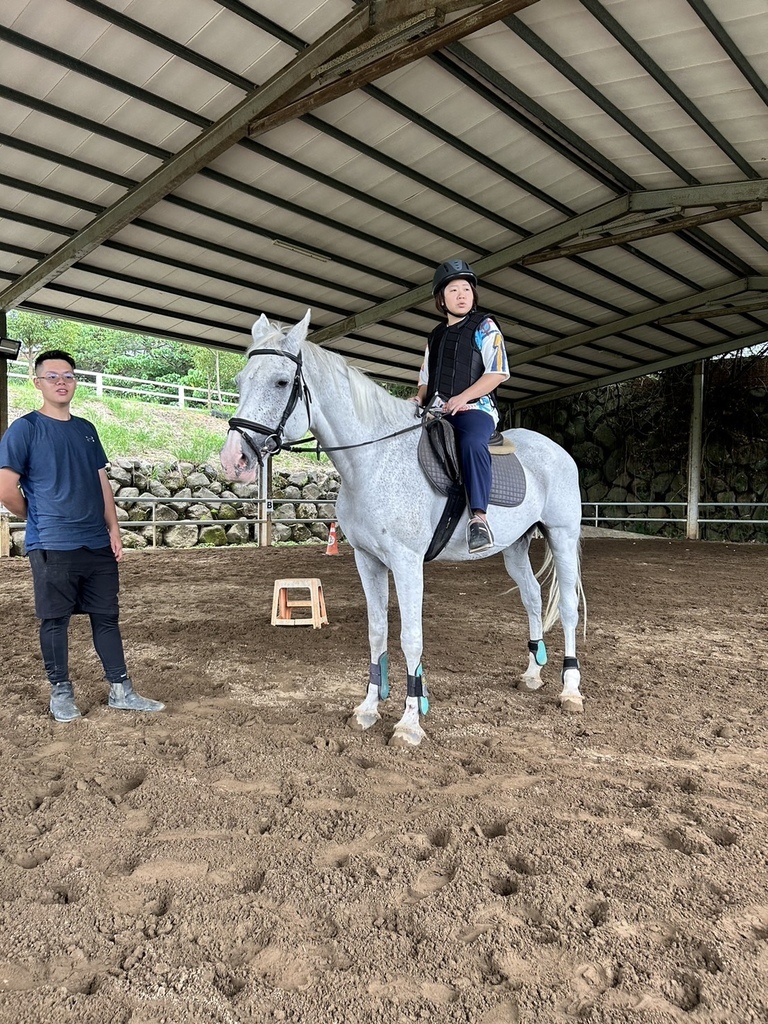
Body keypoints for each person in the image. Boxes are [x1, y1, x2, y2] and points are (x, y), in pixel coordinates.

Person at [0, 349, 165, 722]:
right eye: (53, 376)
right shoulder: (25, 429)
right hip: (53, 544)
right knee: (54, 620)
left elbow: (101, 481)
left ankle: (121, 690)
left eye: (69, 375)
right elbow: (6, 488)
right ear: (37, 382)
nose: (61, 381)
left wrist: (114, 528)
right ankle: (61, 693)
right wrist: (38, 516)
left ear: (75, 382)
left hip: (96, 542)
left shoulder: (87, 429)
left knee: (106, 617)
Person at [412, 259, 510, 554]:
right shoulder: (435, 336)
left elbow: (497, 372)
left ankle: (479, 519)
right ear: (441, 299)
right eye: (453, 290)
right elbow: (426, 378)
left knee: (471, 442)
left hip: (476, 409)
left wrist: (464, 397)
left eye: (466, 289)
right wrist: (418, 398)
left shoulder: (485, 326)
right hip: (438, 410)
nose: (461, 294)